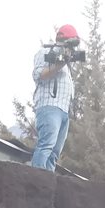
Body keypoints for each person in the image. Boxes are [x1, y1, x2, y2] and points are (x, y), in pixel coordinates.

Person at [31, 24, 81, 172]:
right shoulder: (46, 52)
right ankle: (37, 180)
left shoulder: (66, 59)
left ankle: (48, 183)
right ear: (62, 39)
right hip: (49, 105)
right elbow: (38, 75)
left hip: (64, 109)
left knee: (54, 153)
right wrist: (59, 64)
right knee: (46, 145)